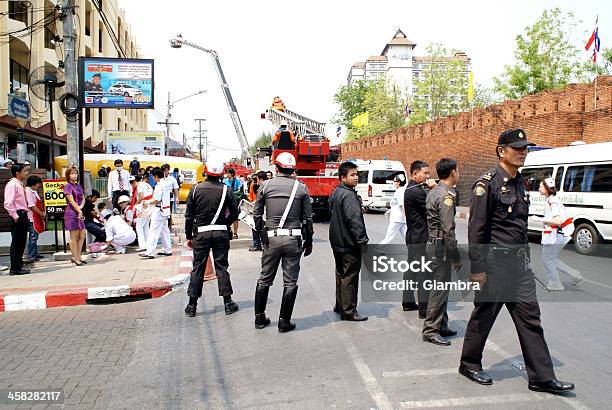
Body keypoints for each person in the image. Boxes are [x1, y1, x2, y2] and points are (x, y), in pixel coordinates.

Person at [459, 128, 574, 394]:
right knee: (483, 317)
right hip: (495, 265)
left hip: (519, 267)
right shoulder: (485, 184)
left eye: (525, 149)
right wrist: (477, 268)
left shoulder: (521, 182)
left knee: (531, 320)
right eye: (518, 148)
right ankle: (469, 363)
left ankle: (541, 377)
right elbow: (477, 229)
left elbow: (519, 226)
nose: (523, 153)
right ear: (502, 151)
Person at [253, 152, 313, 332]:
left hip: (271, 239)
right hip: (292, 240)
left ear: (276, 168)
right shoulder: (301, 188)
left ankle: (259, 318)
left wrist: (262, 234)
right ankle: (284, 321)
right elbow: (307, 219)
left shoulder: (264, 186)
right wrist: (308, 241)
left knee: (265, 278)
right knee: (290, 282)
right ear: (293, 169)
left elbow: (256, 215)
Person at [184, 159, 240, 317]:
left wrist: (189, 235)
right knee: (221, 267)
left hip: (200, 234)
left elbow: (189, 216)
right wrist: (224, 224)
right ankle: (228, 303)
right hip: (221, 233)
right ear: (221, 174)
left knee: (198, 268)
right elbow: (235, 214)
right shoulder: (226, 190)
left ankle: (192, 306)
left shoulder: (195, 190)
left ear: (205, 171)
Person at [422, 158, 461, 346]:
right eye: (458, 170)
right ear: (453, 172)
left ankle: (441, 324)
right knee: (439, 288)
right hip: (440, 246)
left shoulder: (434, 191)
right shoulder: (445, 196)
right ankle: (431, 329)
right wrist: (455, 256)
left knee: (440, 286)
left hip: (432, 243)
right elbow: (449, 230)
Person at [329, 161, 369, 321]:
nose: (356, 177)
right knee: (350, 276)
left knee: (341, 274)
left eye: (356, 174)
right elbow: (354, 221)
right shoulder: (349, 195)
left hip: (337, 241)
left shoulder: (336, 192)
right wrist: (363, 241)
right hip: (349, 243)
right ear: (343, 177)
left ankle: (340, 305)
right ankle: (349, 311)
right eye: (352, 175)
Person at [403, 160, 438, 317]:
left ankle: (408, 301)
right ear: (415, 173)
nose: (427, 176)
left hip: (414, 235)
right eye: (425, 173)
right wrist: (435, 190)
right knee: (424, 273)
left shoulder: (413, 188)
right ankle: (424, 309)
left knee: (411, 271)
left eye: (428, 173)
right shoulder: (415, 191)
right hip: (420, 237)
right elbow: (433, 209)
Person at [537, 177, 582, 290]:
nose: (538, 189)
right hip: (561, 233)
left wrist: (539, 219)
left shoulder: (552, 201)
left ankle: (555, 283)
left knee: (547, 258)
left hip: (560, 234)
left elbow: (557, 221)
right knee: (550, 257)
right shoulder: (552, 199)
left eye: (540, 187)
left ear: (547, 189)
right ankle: (574, 274)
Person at [4, 163, 31, 274]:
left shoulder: (19, 184)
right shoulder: (12, 185)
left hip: (22, 215)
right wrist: (15, 216)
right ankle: (15, 268)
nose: (26, 173)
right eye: (24, 171)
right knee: (16, 242)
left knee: (21, 242)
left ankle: (19, 265)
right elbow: (8, 203)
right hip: (18, 215)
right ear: (17, 173)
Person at [140, 167, 172, 259]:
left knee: (153, 231)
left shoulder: (159, 186)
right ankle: (167, 250)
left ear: (156, 176)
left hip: (159, 210)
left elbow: (157, 200)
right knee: (164, 231)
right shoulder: (167, 183)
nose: (153, 178)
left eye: (153, 176)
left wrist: (147, 202)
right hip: (165, 210)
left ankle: (150, 252)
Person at [63, 166, 87, 266]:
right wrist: (78, 210)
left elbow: (83, 198)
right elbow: (71, 201)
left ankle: (78, 256)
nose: (75, 175)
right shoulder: (67, 186)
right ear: (68, 175)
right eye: (72, 173)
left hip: (79, 211)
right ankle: (75, 258)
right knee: (74, 236)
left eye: (76, 173)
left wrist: (80, 208)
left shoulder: (78, 186)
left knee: (82, 235)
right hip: (71, 213)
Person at [380, 174, 407, 244]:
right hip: (401, 219)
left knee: (389, 236)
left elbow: (402, 205)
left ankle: (379, 248)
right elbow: (396, 205)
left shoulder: (399, 191)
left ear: (398, 182)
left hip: (397, 219)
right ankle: (411, 249)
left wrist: (406, 216)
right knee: (406, 236)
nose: (394, 183)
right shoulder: (402, 190)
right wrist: (389, 211)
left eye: (394, 181)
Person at [25, 175, 45, 262]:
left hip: (37, 215)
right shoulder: (28, 191)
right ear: (33, 184)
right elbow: (31, 206)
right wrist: (41, 213)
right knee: (33, 237)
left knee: (35, 236)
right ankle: (31, 255)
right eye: (38, 184)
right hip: (32, 217)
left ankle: (35, 253)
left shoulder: (34, 191)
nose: (39, 186)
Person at [134, 174, 154, 252]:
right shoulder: (147, 184)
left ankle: (142, 245)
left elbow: (141, 196)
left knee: (139, 226)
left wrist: (136, 204)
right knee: (146, 226)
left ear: (135, 181)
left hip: (143, 205)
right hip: (150, 205)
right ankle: (147, 244)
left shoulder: (139, 186)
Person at [249, 171, 268, 251]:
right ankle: (260, 244)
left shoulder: (263, 188)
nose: (256, 181)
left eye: (257, 179)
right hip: (264, 213)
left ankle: (261, 245)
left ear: (261, 179)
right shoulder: (266, 187)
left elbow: (260, 202)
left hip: (264, 214)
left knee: (258, 228)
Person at [223, 168, 243, 239]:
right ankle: (226, 231)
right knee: (225, 217)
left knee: (235, 218)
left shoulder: (237, 181)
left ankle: (235, 233)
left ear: (231, 174)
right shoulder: (224, 181)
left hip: (235, 202)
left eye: (228, 173)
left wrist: (234, 195)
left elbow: (240, 191)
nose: (227, 174)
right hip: (226, 202)